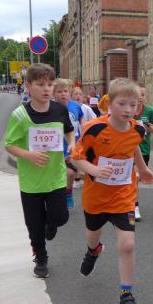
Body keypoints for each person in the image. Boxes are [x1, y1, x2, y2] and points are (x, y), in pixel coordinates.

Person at [71, 78, 153, 304]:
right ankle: (93, 251)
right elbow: (76, 157)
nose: (128, 110)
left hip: (123, 195)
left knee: (128, 244)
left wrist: (142, 169)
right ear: (109, 104)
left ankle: (126, 296)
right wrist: (94, 170)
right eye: (122, 104)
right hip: (96, 197)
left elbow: (133, 145)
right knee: (93, 236)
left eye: (133, 105)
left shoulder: (138, 129)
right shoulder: (94, 129)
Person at [3, 63, 75, 278]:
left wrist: (72, 144)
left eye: (50, 85)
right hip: (31, 182)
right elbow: (9, 145)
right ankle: (41, 258)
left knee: (60, 217)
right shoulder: (19, 115)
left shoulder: (60, 110)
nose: (47, 89)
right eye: (41, 84)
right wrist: (29, 155)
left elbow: (69, 131)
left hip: (55, 177)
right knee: (34, 226)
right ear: (28, 86)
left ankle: (50, 225)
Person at [54, 78, 85, 209]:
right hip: (56, 146)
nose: (63, 94)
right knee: (58, 174)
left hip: (72, 146)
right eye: (59, 91)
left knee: (71, 173)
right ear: (54, 93)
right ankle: (57, 195)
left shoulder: (75, 106)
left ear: (70, 92)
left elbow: (81, 119)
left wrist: (83, 133)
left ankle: (68, 193)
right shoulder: (51, 107)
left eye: (65, 91)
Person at [133, 86, 153, 221]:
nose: (140, 97)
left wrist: (150, 128)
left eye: (143, 94)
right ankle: (134, 207)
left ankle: (129, 203)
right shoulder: (128, 110)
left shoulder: (150, 111)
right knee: (134, 178)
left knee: (136, 179)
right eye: (138, 94)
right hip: (128, 150)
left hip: (143, 150)